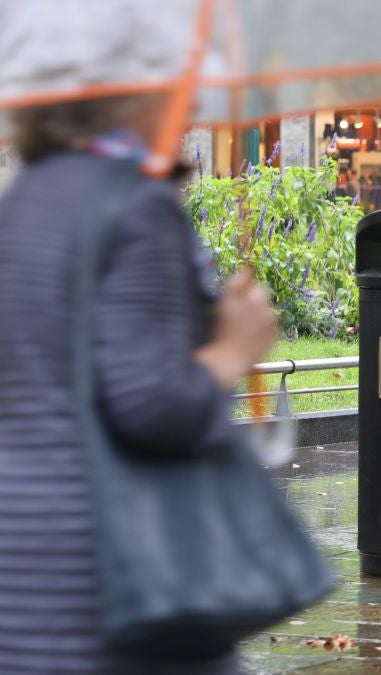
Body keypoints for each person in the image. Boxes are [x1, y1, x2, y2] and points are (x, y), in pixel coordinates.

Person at [0, 96, 277, 673]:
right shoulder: (134, 204)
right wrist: (234, 348)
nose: (192, 100)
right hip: (121, 580)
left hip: (27, 585)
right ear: (132, 93)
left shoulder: (26, 199)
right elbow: (153, 405)